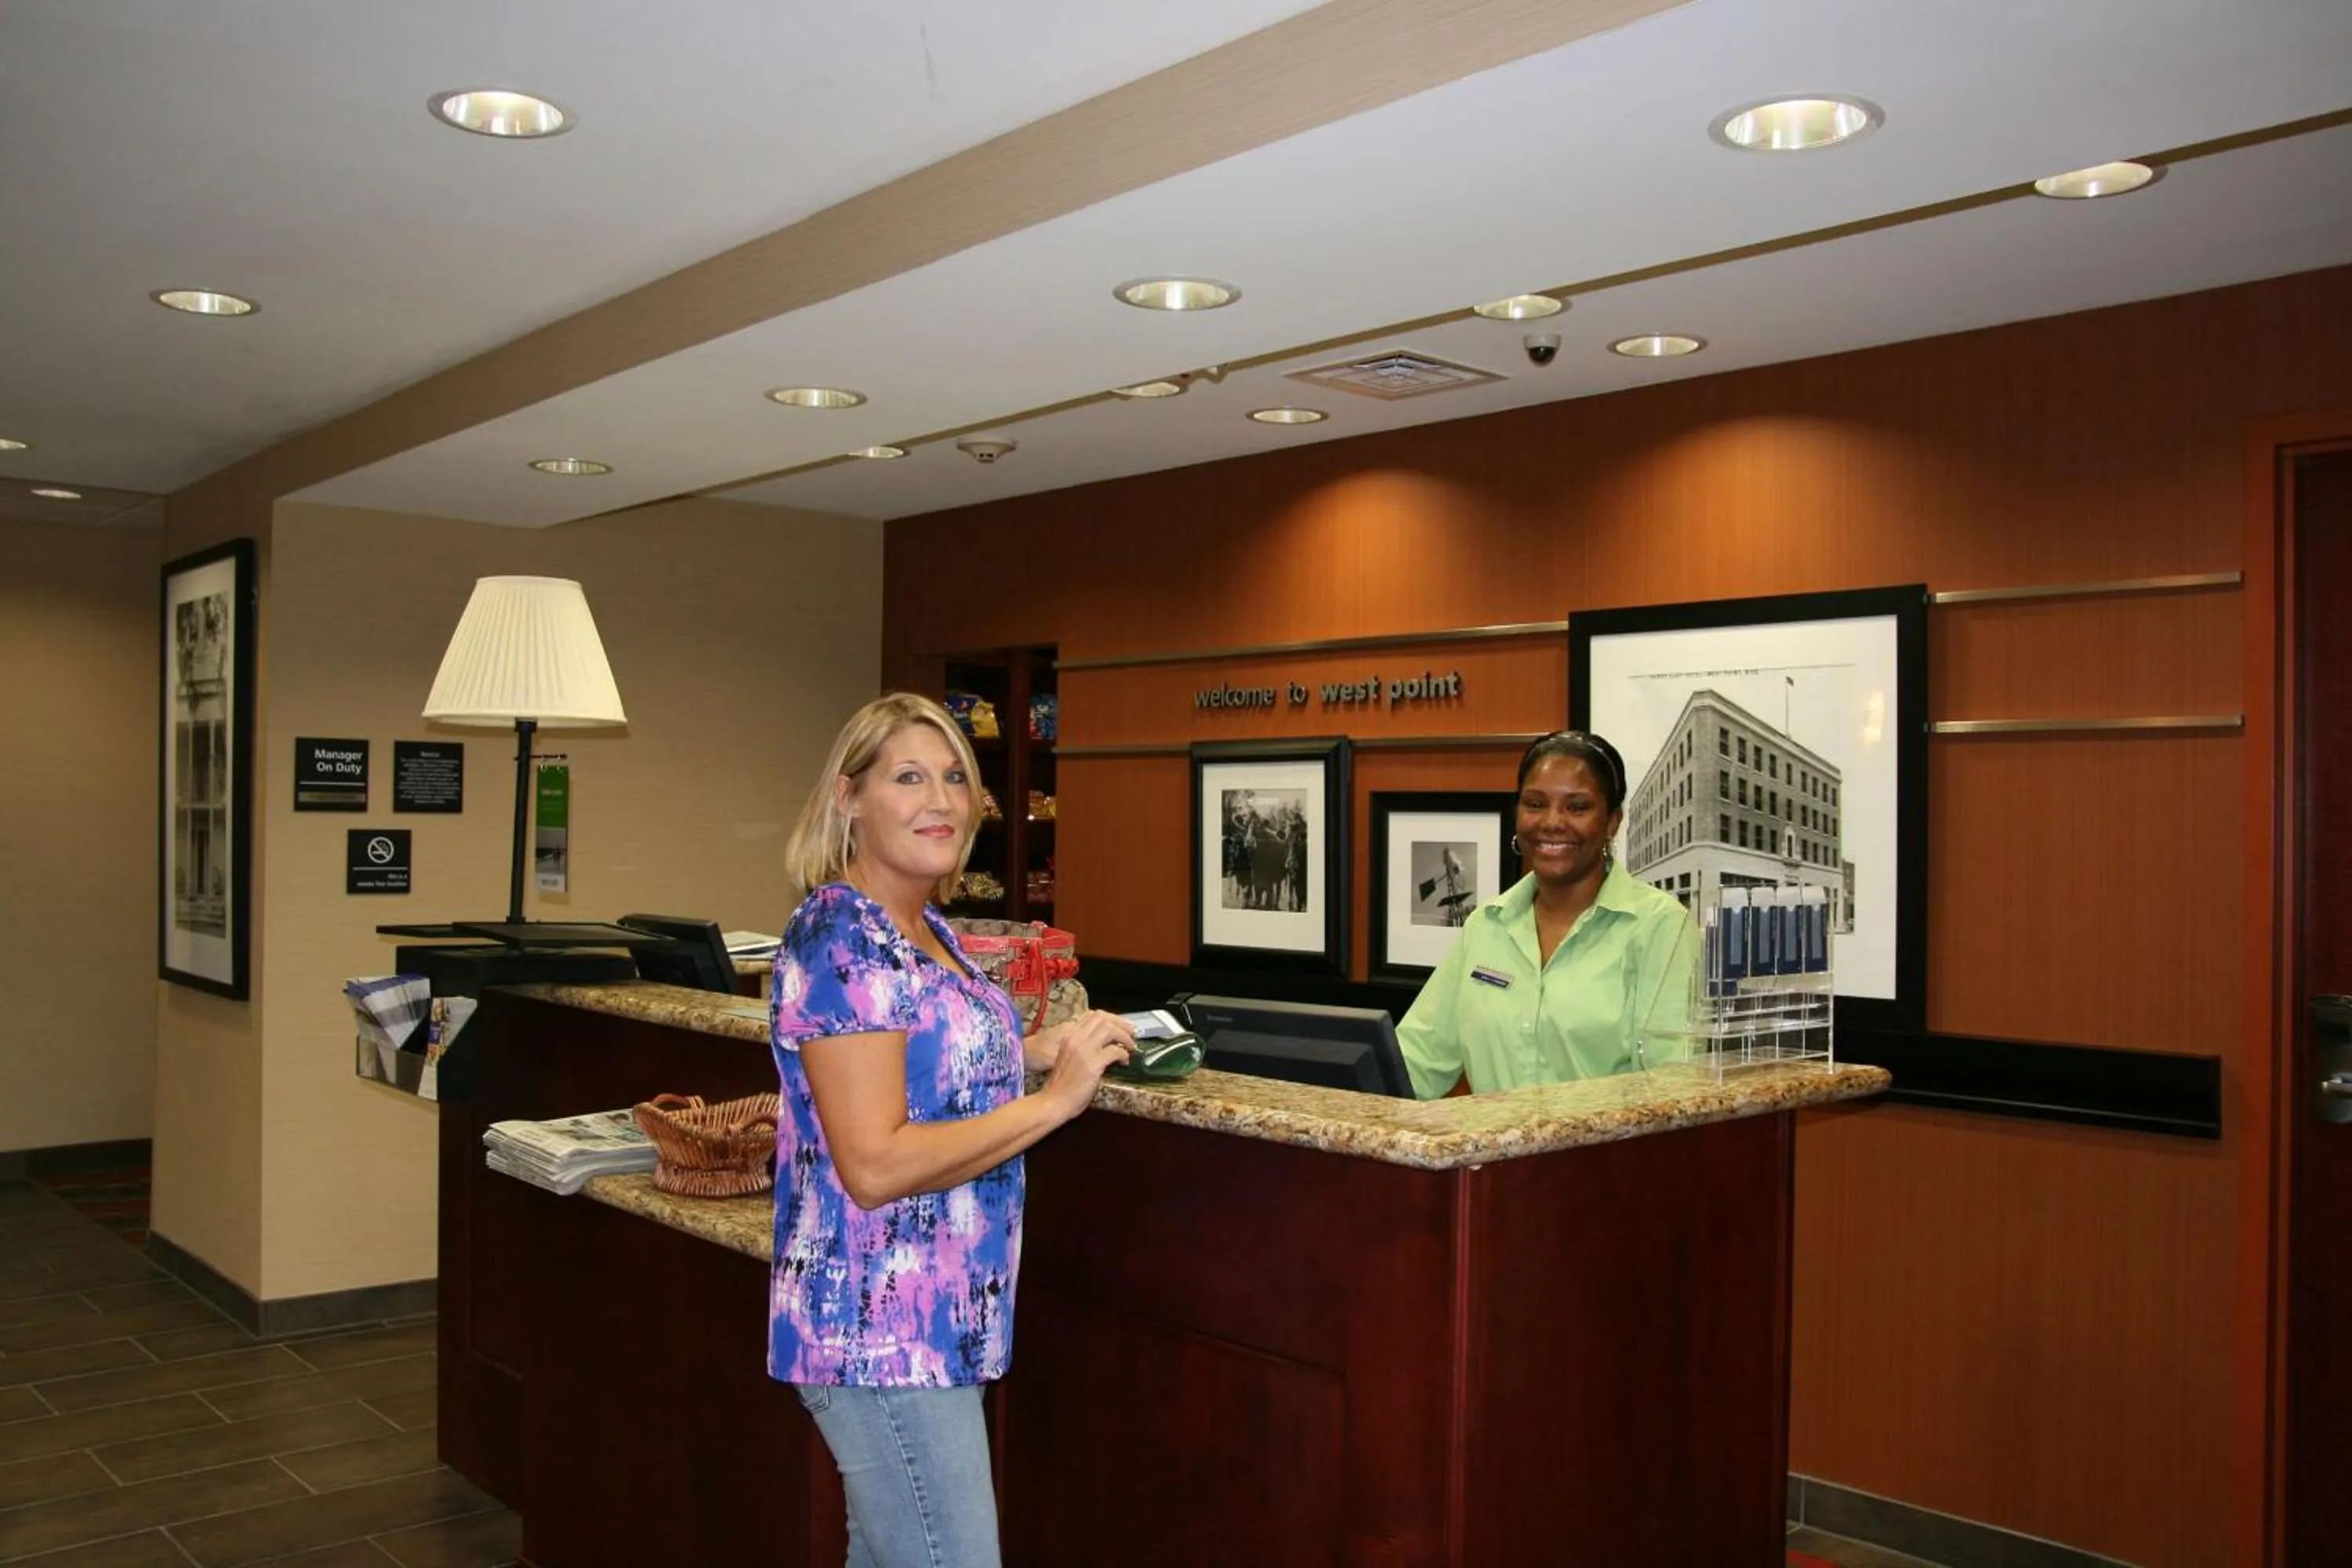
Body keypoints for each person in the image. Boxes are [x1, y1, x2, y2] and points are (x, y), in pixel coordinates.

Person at [768, 692, 1134, 1568]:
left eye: (955, 779)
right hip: (880, 1331)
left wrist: (1032, 1051)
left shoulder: (923, 925)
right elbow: (874, 1162)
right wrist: (1052, 1104)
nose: (940, 800)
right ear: (849, 798)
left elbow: (924, 1056)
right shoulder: (841, 936)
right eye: (908, 777)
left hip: (938, 1323)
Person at [1396, 730, 1698, 1098]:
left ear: (1612, 822)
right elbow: (1414, 1062)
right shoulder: (1486, 925)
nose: (1552, 822)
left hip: (1607, 1139)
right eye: (1535, 804)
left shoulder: (1661, 926)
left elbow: (1672, 1090)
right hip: (1495, 1137)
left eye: (1577, 807)